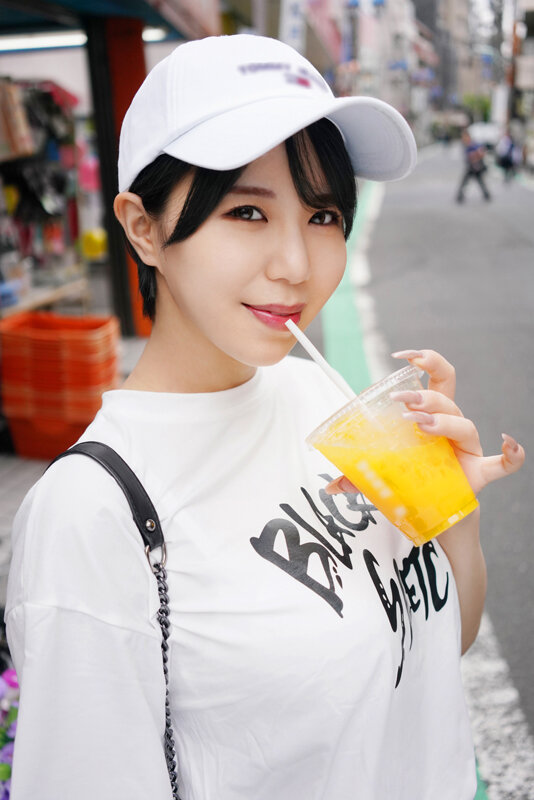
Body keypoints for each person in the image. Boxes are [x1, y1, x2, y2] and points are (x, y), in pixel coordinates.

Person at [5, 35, 524, 800]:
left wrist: (454, 522)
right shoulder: (92, 516)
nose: (297, 265)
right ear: (143, 226)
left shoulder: (323, 401)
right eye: (247, 211)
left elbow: (434, 645)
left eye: (323, 214)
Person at [456, 129, 491, 203]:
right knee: (467, 182)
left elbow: (481, 152)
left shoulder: (473, 144)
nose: (463, 139)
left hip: (476, 167)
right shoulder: (466, 145)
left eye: (464, 137)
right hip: (471, 167)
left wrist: (475, 156)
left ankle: (486, 195)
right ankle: (460, 196)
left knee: (478, 182)